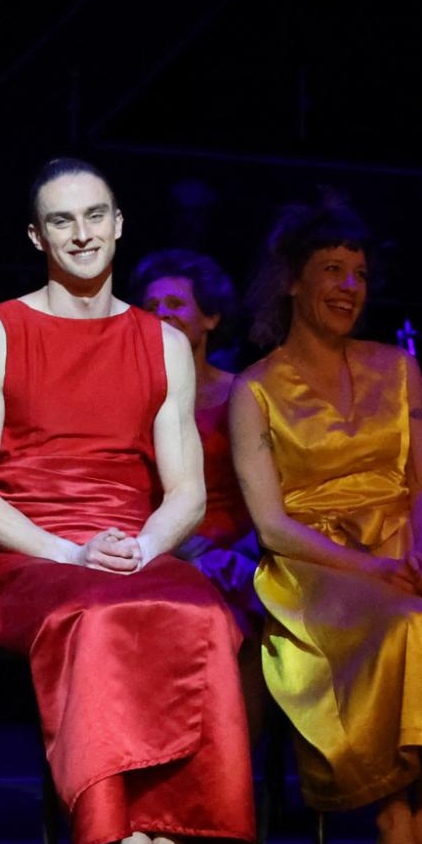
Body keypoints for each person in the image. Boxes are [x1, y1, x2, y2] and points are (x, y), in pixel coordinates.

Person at [0, 160, 257, 844]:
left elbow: (185, 490)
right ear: (35, 234)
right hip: (34, 550)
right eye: (60, 220)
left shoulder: (162, 342)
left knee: (204, 612)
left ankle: (176, 832)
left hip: (130, 543)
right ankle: (125, 840)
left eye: (93, 216)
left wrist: (144, 547)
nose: (80, 233)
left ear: (117, 223)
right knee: (100, 612)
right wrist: (66, 551)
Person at [228, 196, 422, 844]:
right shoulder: (254, 389)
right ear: (292, 280)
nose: (348, 286)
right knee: (394, 626)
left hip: (403, 539)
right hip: (312, 558)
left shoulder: (397, 365)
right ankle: (386, 813)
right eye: (331, 269)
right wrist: (364, 567)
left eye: (357, 272)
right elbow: (270, 524)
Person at [131, 248, 266, 733]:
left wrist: (240, 557)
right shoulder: (130, 397)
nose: (161, 314)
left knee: (245, 620)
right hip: (166, 553)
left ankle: (236, 785)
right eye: (151, 305)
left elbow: (269, 493)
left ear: (210, 317)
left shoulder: (242, 394)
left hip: (239, 557)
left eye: (175, 303)